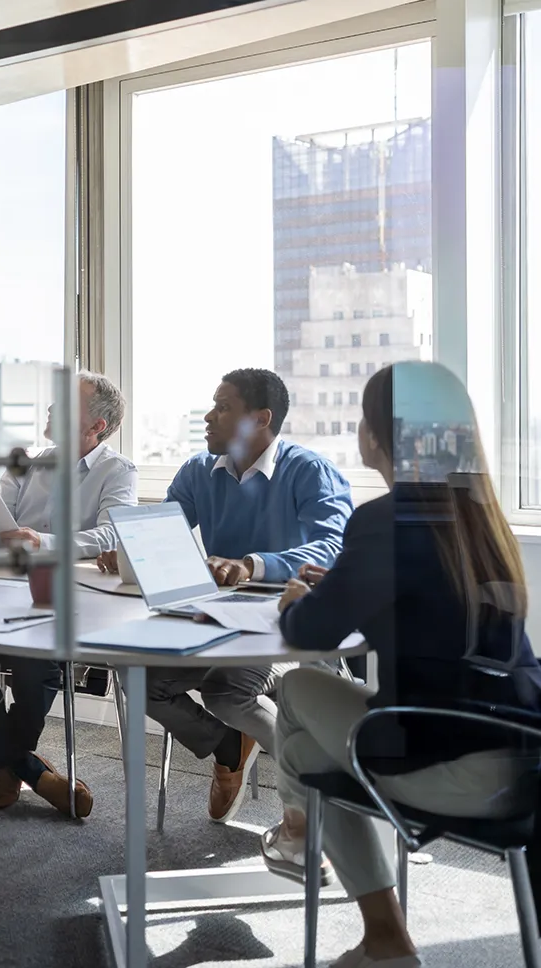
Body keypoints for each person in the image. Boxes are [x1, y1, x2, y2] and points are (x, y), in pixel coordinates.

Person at [265, 361, 541, 968]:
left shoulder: (385, 518)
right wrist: (345, 584)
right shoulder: (480, 519)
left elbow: (310, 632)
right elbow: (425, 608)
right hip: (521, 757)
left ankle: (293, 833)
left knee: (292, 689)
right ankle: (384, 938)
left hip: (449, 766)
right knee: (310, 760)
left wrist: (299, 600)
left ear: (374, 436)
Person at [99, 368, 353, 824]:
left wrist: (252, 564)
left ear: (260, 419)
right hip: (216, 620)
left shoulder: (310, 470)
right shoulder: (199, 470)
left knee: (226, 692)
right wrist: (130, 551)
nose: (209, 417)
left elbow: (332, 548)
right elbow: (164, 533)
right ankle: (228, 746)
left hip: (285, 624)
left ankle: (326, 795)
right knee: (136, 675)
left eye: (223, 407)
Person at [0, 372, 138, 817]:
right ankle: (26, 767)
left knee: (36, 662)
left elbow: (113, 533)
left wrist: (43, 542)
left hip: (65, 599)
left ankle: (8, 768)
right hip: (4, 587)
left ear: (96, 427)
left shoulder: (117, 470)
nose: (51, 408)